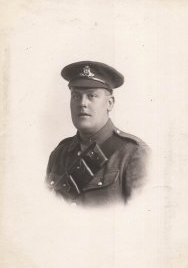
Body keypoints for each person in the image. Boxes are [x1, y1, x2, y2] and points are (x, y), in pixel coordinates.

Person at [46, 61, 150, 206]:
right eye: (76, 96)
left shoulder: (133, 153)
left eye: (91, 96)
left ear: (110, 103)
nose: (82, 103)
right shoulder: (59, 154)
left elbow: (139, 216)